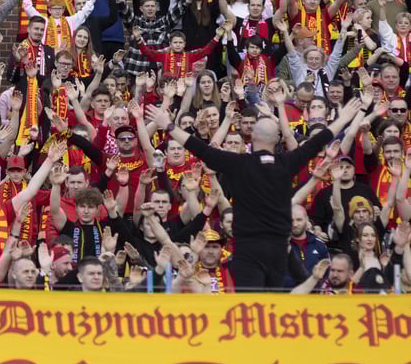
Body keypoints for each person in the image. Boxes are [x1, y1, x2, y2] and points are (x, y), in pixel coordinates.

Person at [146, 97, 363, 289]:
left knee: (250, 307)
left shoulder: (238, 163)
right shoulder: (287, 163)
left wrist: (169, 125)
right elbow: (316, 142)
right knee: (271, 308)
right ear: (277, 138)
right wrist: (343, 118)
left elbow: (200, 149)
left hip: (247, 249)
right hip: (278, 249)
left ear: (254, 136)